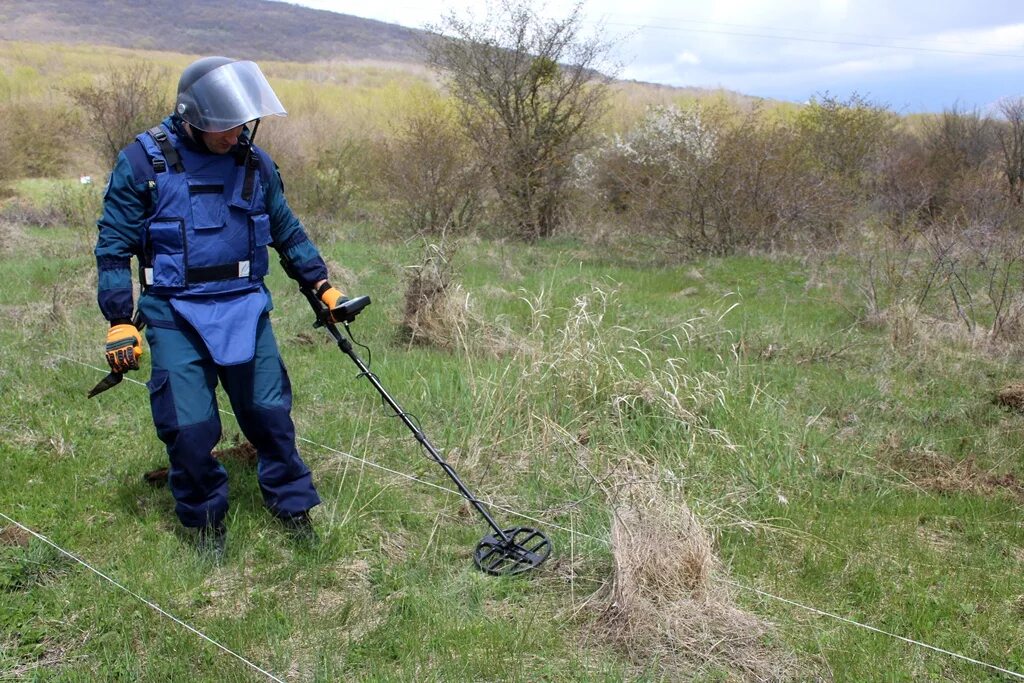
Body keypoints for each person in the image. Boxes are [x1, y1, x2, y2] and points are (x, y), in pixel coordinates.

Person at [95, 56, 349, 557]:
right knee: (189, 430)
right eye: (225, 127)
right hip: (175, 313)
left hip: (244, 309)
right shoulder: (143, 163)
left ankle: (293, 508)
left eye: (242, 125)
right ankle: (206, 522)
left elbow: (286, 230)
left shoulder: (255, 163)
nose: (235, 135)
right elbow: (113, 245)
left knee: (271, 418)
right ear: (191, 116)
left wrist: (322, 287)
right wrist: (120, 320)